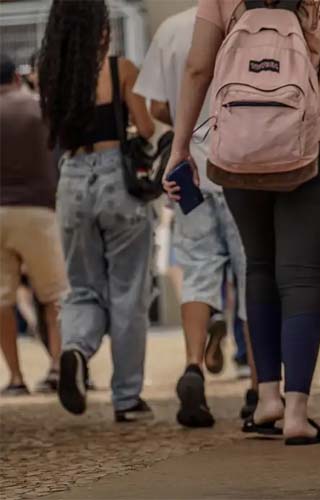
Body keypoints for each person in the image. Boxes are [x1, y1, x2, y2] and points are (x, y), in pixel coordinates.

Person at [165, 0, 320, 444]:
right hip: (310, 140)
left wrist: (180, 147)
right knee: (302, 273)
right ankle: (297, 412)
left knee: (259, 265)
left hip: (239, 140)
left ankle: (267, 398)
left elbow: (197, 69)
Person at [135, 6, 254, 428]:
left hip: (189, 172)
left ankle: (192, 368)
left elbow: (156, 105)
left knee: (198, 270)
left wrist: (185, 124)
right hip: (242, 164)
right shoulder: (247, 17)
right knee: (250, 273)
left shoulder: (168, 29)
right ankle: (259, 387)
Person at [39, 0, 156, 423]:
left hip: (70, 181)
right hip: (115, 182)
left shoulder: (48, 77)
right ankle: (126, 398)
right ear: (100, 27)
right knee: (127, 292)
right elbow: (145, 128)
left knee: (84, 289)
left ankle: (75, 349)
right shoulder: (119, 69)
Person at [0, 54, 68, 396]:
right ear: (15, 76)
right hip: (38, 211)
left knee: (3, 300)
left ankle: (14, 377)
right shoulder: (36, 107)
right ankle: (57, 367)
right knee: (54, 295)